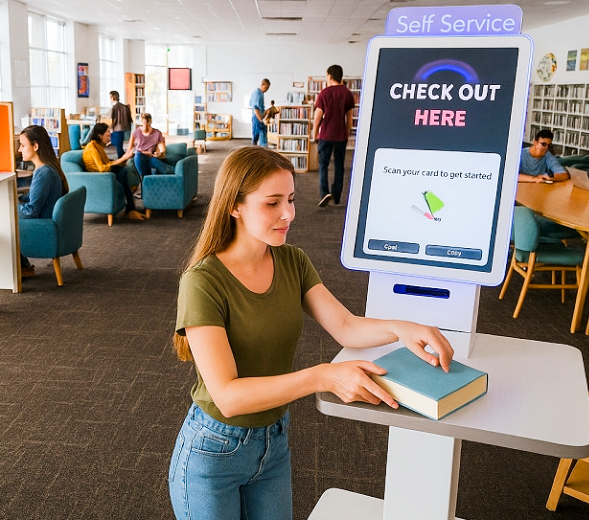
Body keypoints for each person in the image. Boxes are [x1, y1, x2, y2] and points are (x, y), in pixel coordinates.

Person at [168, 146, 454, 520]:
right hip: (213, 449)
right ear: (234, 206)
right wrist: (322, 376)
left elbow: (346, 326)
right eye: (272, 203)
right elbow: (228, 397)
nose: (289, 214)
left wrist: (403, 328)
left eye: (290, 199)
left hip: (273, 442)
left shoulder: (292, 260)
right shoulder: (202, 281)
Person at [17, 125, 71, 277]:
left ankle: (21, 267)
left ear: (35, 146)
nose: (19, 150)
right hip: (50, 221)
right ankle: (22, 265)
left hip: (42, 226)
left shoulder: (43, 173)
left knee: (5, 220)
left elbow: (31, 211)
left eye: (23, 145)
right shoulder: (48, 167)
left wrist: (10, 207)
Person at [82, 122, 147, 221]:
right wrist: (122, 158)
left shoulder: (99, 146)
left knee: (126, 169)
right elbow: (102, 168)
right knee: (123, 172)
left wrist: (124, 159)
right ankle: (130, 208)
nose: (110, 136)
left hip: (105, 174)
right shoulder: (92, 148)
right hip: (100, 177)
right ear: (100, 136)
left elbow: (108, 163)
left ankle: (130, 207)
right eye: (107, 134)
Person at [312, 65, 355, 207]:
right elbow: (349, 118)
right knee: (339, 166)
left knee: (323, 165)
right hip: (340, 136)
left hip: (325, 135)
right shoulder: (348, 93)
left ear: (329, 75)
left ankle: (325, 193)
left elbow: (317, 117)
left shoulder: (324, 93)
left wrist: (314, 134)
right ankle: (336, 195)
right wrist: (347, 133)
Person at [127, 113, 173, 181]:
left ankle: (177, 172)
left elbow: (162, 149)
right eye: (143, 123)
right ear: (140, 122)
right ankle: (143, 179)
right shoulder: (135, 133)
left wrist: (158, 153)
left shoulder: (157, 133)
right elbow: (129, 150)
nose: (145, 126)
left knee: (165, 169)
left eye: (147, 123)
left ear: (150, 122)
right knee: (138, 155)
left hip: (151, 157)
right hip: (140, 156)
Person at [108, 90, 133, 159]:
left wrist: (110, 128)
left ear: (112, 97)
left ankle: (122, 159)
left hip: (116, 128)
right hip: (126, 128)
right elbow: (130, 119)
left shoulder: (113, 107)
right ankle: (124, 157)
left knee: (118, 147)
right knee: (121, 146)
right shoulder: (125, 107)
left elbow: (111, 119)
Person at [249, 78, 270, 147]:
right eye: (266, 87)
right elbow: (256, 108)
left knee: (260, 133)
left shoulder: (260, 93)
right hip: (257, 117)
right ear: (263, 85)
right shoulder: (257, 94)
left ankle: (259, 146)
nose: (267, 90)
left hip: (259, 116)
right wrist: (261, 119)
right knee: (259, 133)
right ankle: (259, 147)